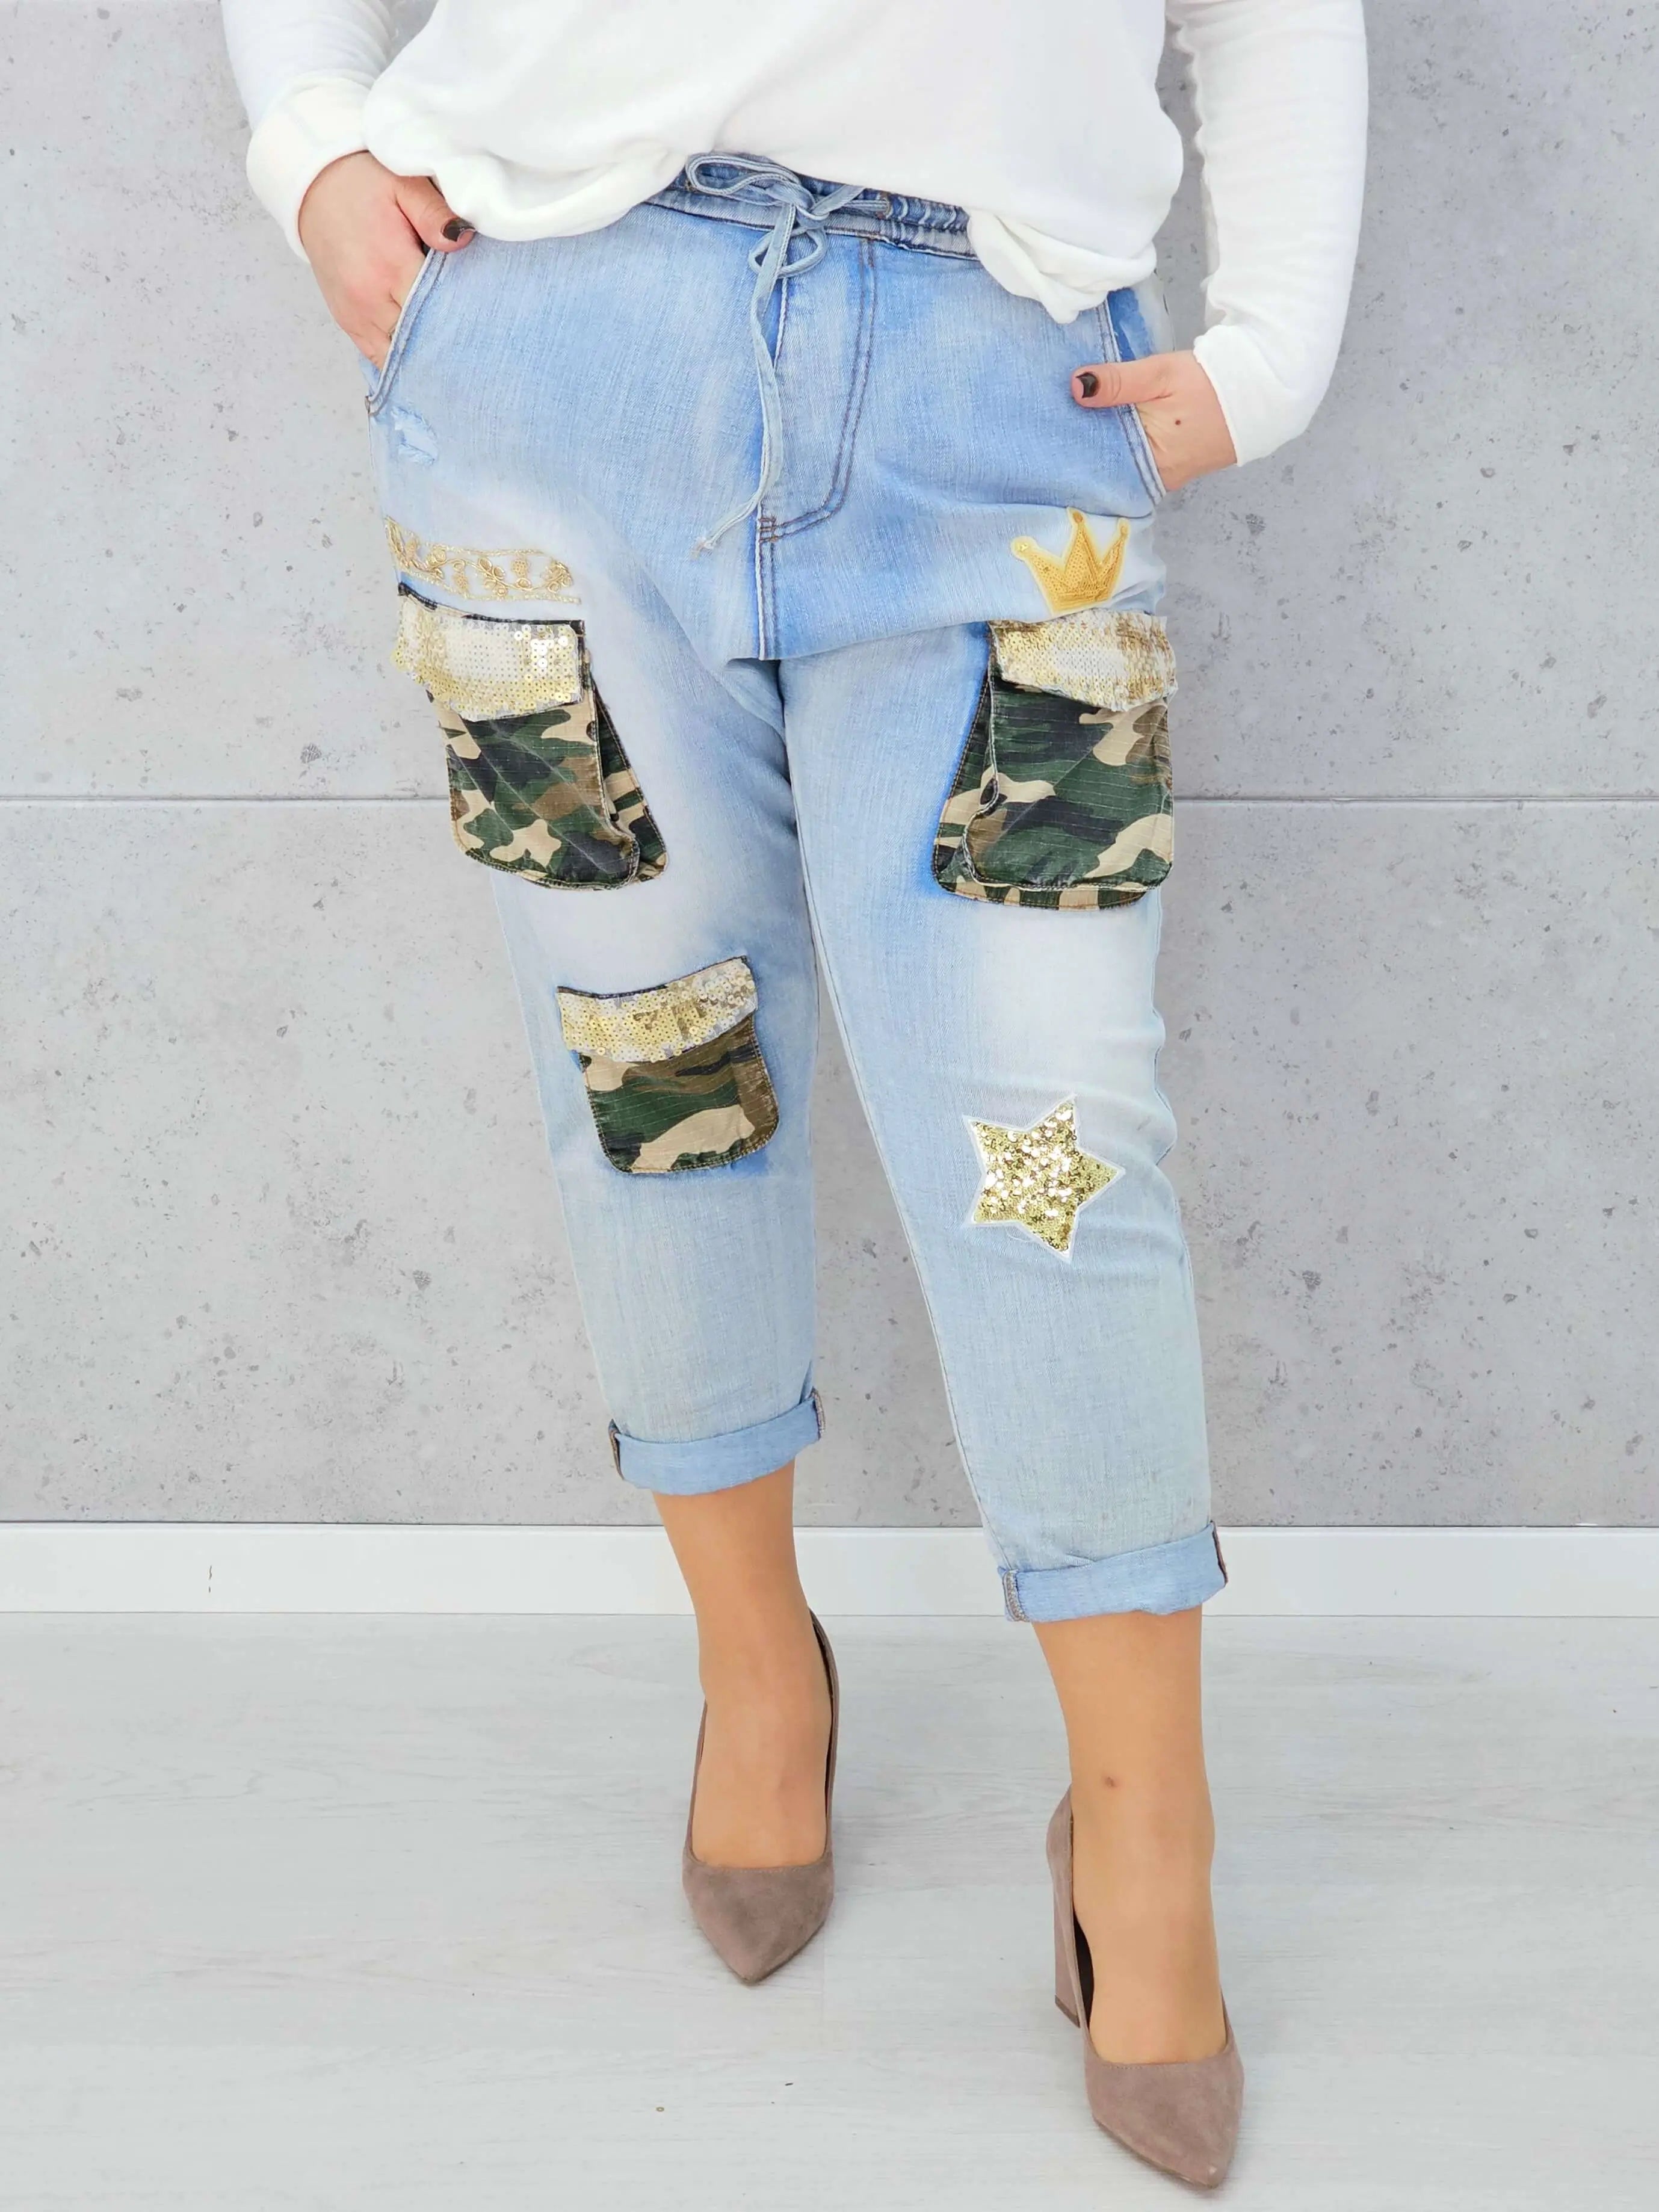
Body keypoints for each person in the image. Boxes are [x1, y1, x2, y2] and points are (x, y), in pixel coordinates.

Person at [221, 0, 1366, 2186]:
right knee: (657, 1071)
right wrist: (312, 156)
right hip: (550, 360)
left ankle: (1149, 1836)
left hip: (998, 385)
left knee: (1050, 1143)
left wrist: (1279, 343)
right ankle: (761, 1672)